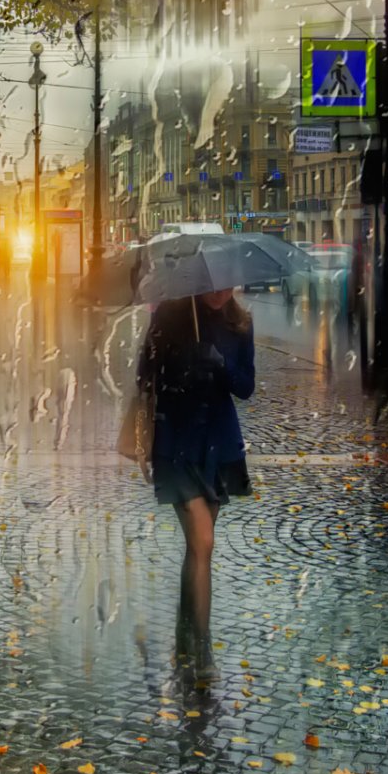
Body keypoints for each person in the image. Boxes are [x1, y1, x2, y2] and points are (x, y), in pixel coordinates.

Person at [135, 289, 257, 681]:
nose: (221, 293)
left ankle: (184, 635)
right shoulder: (171, 313)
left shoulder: (240, 323)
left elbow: (246, 386)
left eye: (228, 285)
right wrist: (183, 365)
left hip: (218, 442)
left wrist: (221, 366)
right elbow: (145, 375)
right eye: (214, 285)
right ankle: (202, 649)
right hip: (177, 439)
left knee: (197, 547)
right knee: (203, 541)